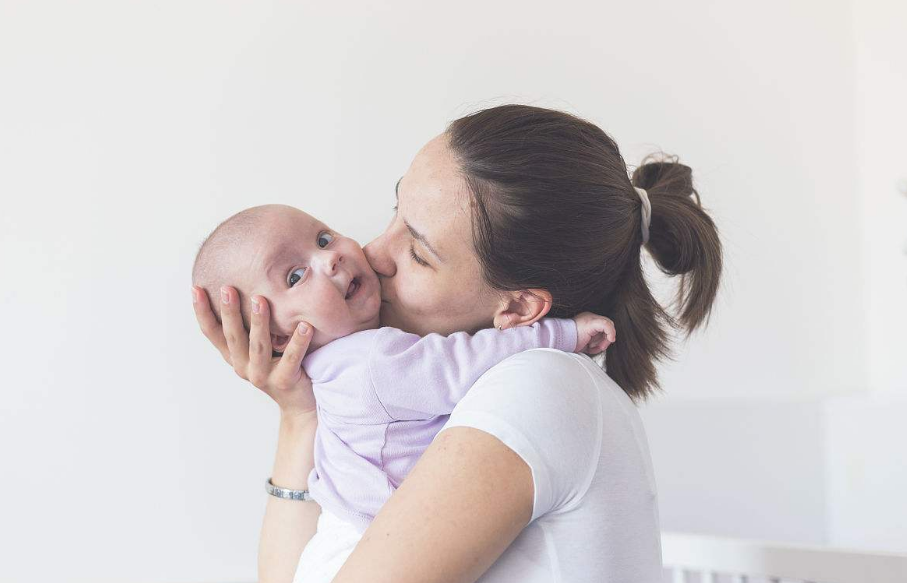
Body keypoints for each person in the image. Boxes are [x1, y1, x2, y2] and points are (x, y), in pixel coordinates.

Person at [192, 104, 722, 583]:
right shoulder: (500, 386)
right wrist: (300, 415)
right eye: (394, 210)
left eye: (418, 253)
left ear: (517, 310)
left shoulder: (539, 386)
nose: (373, 252)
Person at [190, 203, 616, 582]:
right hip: (353, 547)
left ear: (519, 306)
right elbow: (461, 361)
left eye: (323, 238)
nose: (333, 256)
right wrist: (566, 332)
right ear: (278, 337)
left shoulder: (343, 365)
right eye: (296, 276)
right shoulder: (370, 361)